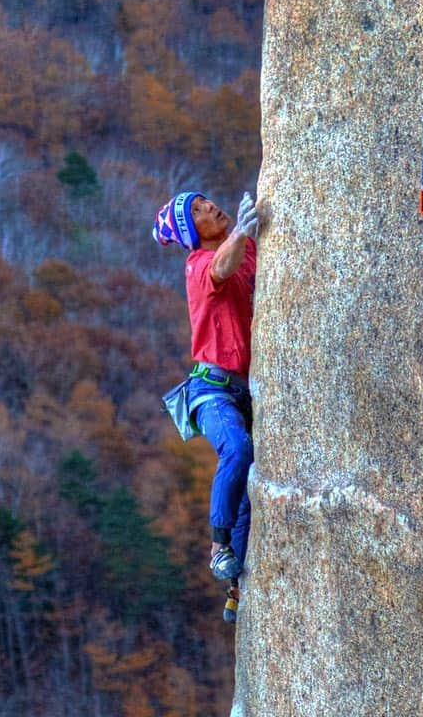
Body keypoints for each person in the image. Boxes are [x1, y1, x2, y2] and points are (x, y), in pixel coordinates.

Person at [153, 190, 258, 594]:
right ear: (192, 235)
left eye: (205, 201)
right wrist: (242, 236)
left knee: (249, 490)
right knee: (237, 448)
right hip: (211, 388)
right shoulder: (197, 265)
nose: (210, 206)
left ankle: (237, 584)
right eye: (197, 212)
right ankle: (218, 547)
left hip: (244, 386)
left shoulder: (243, 250)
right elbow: (222, 266)